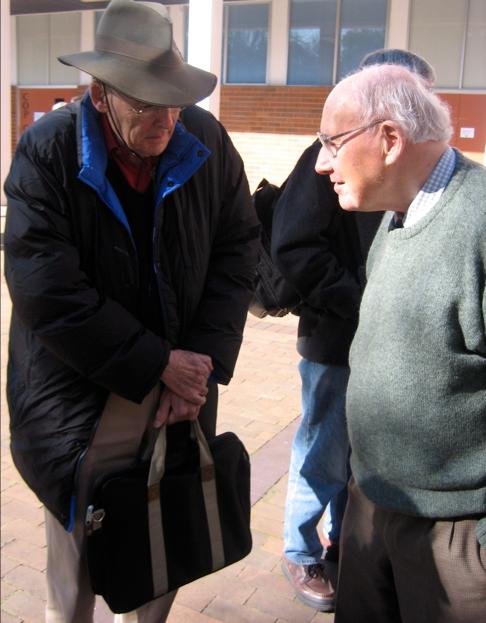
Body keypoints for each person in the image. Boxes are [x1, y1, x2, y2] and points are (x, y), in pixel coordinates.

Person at [3, 1, 259, 622]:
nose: (166, 119)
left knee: (162, 536)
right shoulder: (47, 153)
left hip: (182, 384)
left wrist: (199, 359)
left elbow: (238, 249)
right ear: (100, 95)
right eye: (146, 103)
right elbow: (45, 289)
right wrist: (155, 363)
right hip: (80, 392)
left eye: (174, 99)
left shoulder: (205, 139)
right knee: (78, 558)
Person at [315, 64, 486, 622]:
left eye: (331, 143)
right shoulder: (395, 218)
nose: (322, 164)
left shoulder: (479, 223)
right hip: (373, 505)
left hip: (454, 536)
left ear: (389, 139)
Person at [273, 49, 435, 612]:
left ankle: (346, 543)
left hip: (386, 347)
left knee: (358, 457)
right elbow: (294, 246)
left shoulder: (420, 172)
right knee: (322, 449)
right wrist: (364, 304)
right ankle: (299, 549)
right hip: (336, 341)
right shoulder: (328, 159)